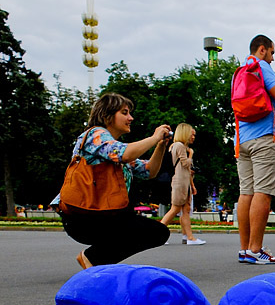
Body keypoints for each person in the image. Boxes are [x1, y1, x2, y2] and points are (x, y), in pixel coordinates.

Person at [55, 92, 172, 268]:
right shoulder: (96, 135)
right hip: (83, 216)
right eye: (124, 112)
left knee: (158, 232)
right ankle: (93, 259)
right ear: (107, 115)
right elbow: (124, 153)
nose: (130, 118)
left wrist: (160, 145)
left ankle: (96, 262)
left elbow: (149, 171)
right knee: (149, 230)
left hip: (104, 214)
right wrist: (154, 137)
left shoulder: (114, 150)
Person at [235, 34, 275, 265]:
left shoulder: (243, 70)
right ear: (262, 50)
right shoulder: (262, 66)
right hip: (265, 139)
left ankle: (245, 249)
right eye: (272, 53)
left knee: (246, 193)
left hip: (242, 141)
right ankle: (256, 249)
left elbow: (264, 95)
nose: (272, 59)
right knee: (263, 192)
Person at [160, 123, 205, 245]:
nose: (193, 137)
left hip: (185, 182)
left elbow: (188, 171)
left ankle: (188, 236)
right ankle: (157, 234)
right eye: (192, 135)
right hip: (179, 181)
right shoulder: (179, 146)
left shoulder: (183, 147)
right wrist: (191, 154)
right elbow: (185, 164)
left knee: (185, 209)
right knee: (175, 208)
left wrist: (192, 185)